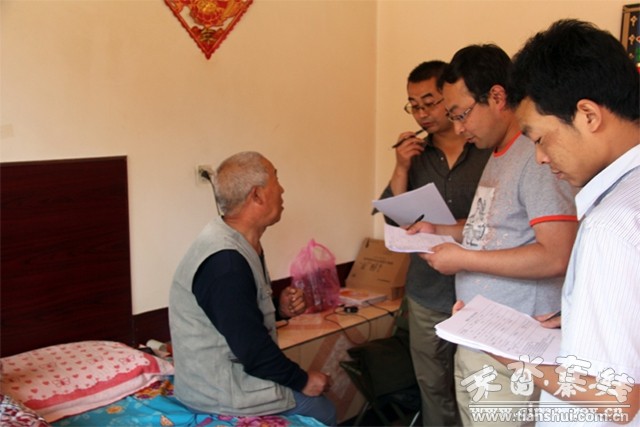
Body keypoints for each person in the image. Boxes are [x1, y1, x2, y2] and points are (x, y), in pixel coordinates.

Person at [414, 44, 579, 426]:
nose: (459, 128)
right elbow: (493, 228)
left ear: (497, 97)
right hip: (480, 339)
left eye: (461, 114)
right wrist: (438, 231)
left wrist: (463, 259)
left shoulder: (535, 157)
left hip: (515, 350)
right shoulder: (498, 152)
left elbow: (556, 254)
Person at [494, 19, 638, 425]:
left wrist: (512, 355)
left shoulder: (611, 225)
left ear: (588, 115)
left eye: (540, 139)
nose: (540, 158)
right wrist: (580, 317)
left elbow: (617, 399)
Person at [169, 151, 336, 426]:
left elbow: (235, 316)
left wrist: (279, 309)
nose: (282, 190)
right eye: (276, 180)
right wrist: (304, 381)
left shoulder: (236, 241)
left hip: (222, 378)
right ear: (257, 195)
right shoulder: (226, 263)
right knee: (323, 411)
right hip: (218, 392)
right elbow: (254, 351)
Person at [377, 60, 491, 426]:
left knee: (478, 387)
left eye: (429, 102)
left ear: (450, 97)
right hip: (427, 291)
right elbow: (395, 218)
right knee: (433, 384)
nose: (422, 114)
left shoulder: (487, 148)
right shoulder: (415, 154)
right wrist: (400, 167)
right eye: (413, 105)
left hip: (480, 291)